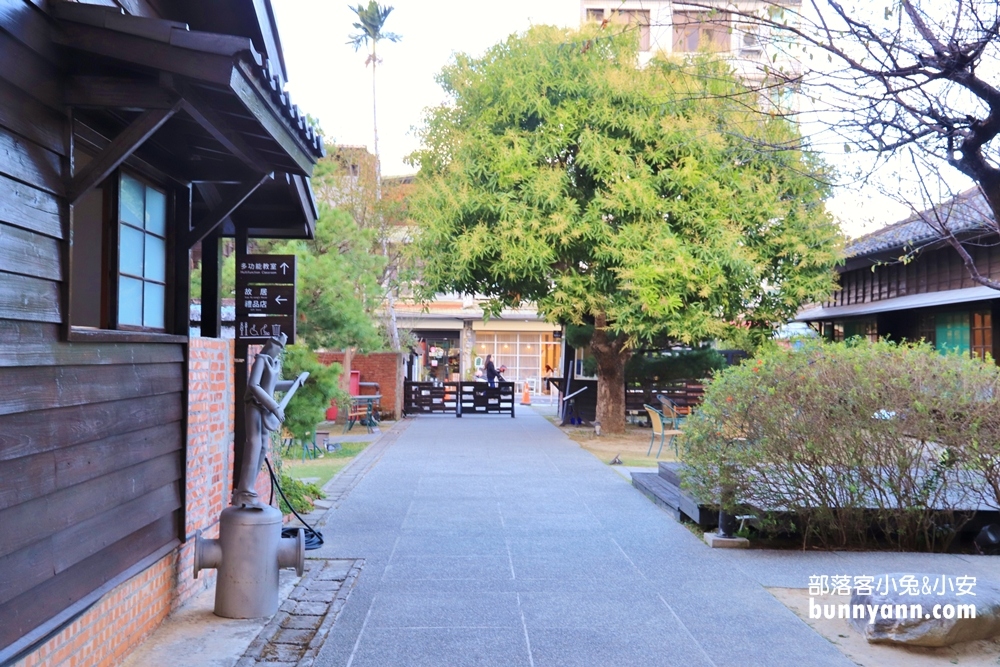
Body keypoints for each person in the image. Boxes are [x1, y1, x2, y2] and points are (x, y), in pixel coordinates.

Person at [234, 333, 296, 509]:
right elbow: (254, 385)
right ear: (271, 345)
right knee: (253, 444)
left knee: (263, 447)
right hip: (254, 405)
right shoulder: (261, 360)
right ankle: (244, 489)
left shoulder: (275, 363)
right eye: (277, 346)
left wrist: (293, 383)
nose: (279, 350)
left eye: (281, 348)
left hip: (266, 409)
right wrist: (275, 407)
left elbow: (272, 385)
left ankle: (249, 487)